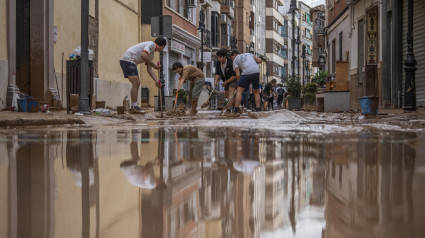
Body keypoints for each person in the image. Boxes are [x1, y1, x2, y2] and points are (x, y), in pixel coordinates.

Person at [120, 37, 167, 113]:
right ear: (163, 45)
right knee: (136, 82)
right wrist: (155, 65)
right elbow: (143, 55)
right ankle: (134, 106)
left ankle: (134, 106)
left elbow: (149, 69)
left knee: (137, 83)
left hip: (131, 62)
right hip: (128, 59)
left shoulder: (152, 55)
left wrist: (157, 81)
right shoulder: (151, 45)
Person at [229, 50, 263, 117]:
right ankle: (258, 109)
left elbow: (238, 75)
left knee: (239, 91)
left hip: (246, 72)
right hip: (256, 71)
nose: (232, 59)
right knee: (256, 91)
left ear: (234, 55)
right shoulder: (249, 54)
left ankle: (236, 110)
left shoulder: (235, 60)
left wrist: (239, 83)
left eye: (232, 57)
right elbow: (260, 61)